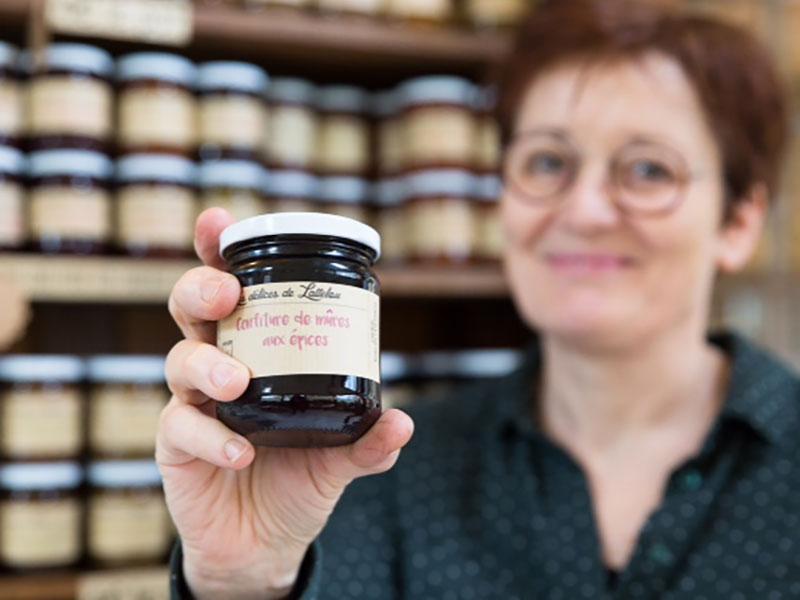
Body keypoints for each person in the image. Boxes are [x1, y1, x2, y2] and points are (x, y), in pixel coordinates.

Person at [160, 1, 800, 597]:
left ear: (740, 221)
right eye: (548, 163)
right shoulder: (375, 468)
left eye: (648, 169)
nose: (584, 210)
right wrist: (242, 580)